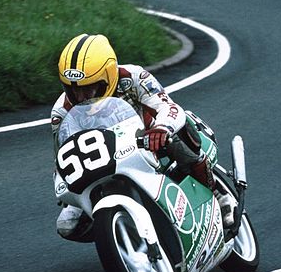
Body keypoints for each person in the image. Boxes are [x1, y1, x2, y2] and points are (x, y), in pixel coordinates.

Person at [51, 33, 236, 241]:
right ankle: (120, 234)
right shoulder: (61, 112)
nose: (82, 97)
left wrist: (162, 128)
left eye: (89, 88)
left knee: (177, 136)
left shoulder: (134, 77)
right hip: (103, 160)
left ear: (108, 75)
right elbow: (64, 155)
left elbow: (168, 107)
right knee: (68, 225)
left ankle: (217, 192)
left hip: (149, 141)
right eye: (73, 90)